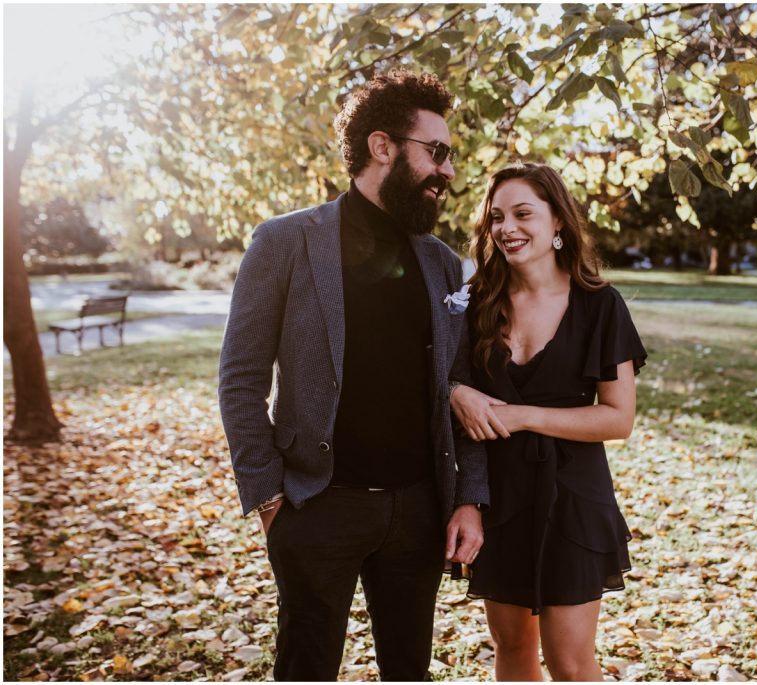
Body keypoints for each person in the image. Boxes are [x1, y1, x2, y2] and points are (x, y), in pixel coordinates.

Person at [218, 70, 488, 682]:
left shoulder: (443, 263)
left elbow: (465, 390)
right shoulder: (285, 242)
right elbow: (240, 378)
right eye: (437, 152)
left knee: (408, 672)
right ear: (383, 147)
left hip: (420, 513)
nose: (447, 170)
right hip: (318, 507)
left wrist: (469, 498)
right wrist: (267, 496)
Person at [449, 163, 646, 681]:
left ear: (557, 221)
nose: (506, 228)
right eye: (496, 217)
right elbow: (437, 381)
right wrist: (455, 392)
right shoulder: (476, 305)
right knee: (511, 648)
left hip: (573, 497)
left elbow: (618, 418)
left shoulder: (600, 305)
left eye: (522, 214)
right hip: (499, 496)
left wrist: (524, 416)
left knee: (570, 661)